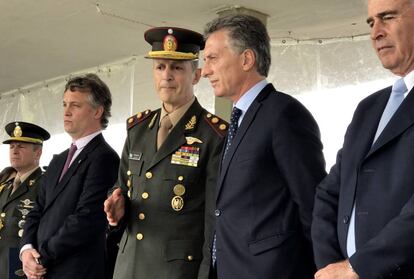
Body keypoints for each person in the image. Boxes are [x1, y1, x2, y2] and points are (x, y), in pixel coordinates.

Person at [201, 14, 326, 279]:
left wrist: (324, 269)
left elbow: (312, 203)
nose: (205, 71)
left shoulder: (284, 113)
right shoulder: (236, 121)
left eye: (213, 58)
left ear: (246, 59)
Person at [104, 26, 227, 279]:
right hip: (129, 266)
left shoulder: (212, 135)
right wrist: (116, 210)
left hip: (176, 271)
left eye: (177, 67)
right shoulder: (137, 130)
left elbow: (213, 220)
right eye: (160, 67)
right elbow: (122, 188)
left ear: (196, 75)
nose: (167, 76)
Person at [312, 0, 414, 278]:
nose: (375, 32)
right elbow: (329, 192)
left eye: (388, 17)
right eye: (371, 22)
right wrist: (332, 266)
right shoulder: (369, 108)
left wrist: (357, 268)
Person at [20, 74, 120, 279]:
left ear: (97, 111)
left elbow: (87, 220)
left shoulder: (104, 158)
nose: (66, 112)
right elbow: (37, 209)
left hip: (77, 271)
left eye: (75, 105)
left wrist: (41, 258)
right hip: (42, 270)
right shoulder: (58, 160)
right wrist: (26, 250)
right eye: (65, 104)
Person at [0, 122, 49, 279]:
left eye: (21, 146)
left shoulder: (46, 184)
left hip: (22, 267)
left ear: (38, 153)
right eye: (12, 146)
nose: (14, 150)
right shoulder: (4, 186)